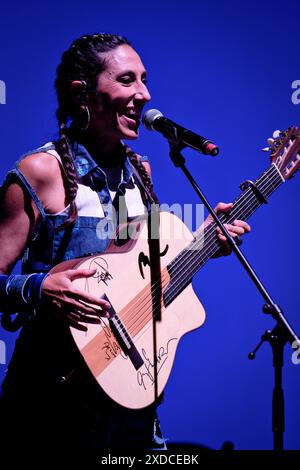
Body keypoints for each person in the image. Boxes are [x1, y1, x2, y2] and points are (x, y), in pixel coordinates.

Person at [0, 33, 250, 462]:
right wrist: (40, 287)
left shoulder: (142, 172)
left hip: (133, 411)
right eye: (128, 80)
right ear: (84, 93)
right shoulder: (41, 171)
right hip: (51, 407)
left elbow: (143, 281)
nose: (145, 94)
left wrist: (204, 241)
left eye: (145, 80)